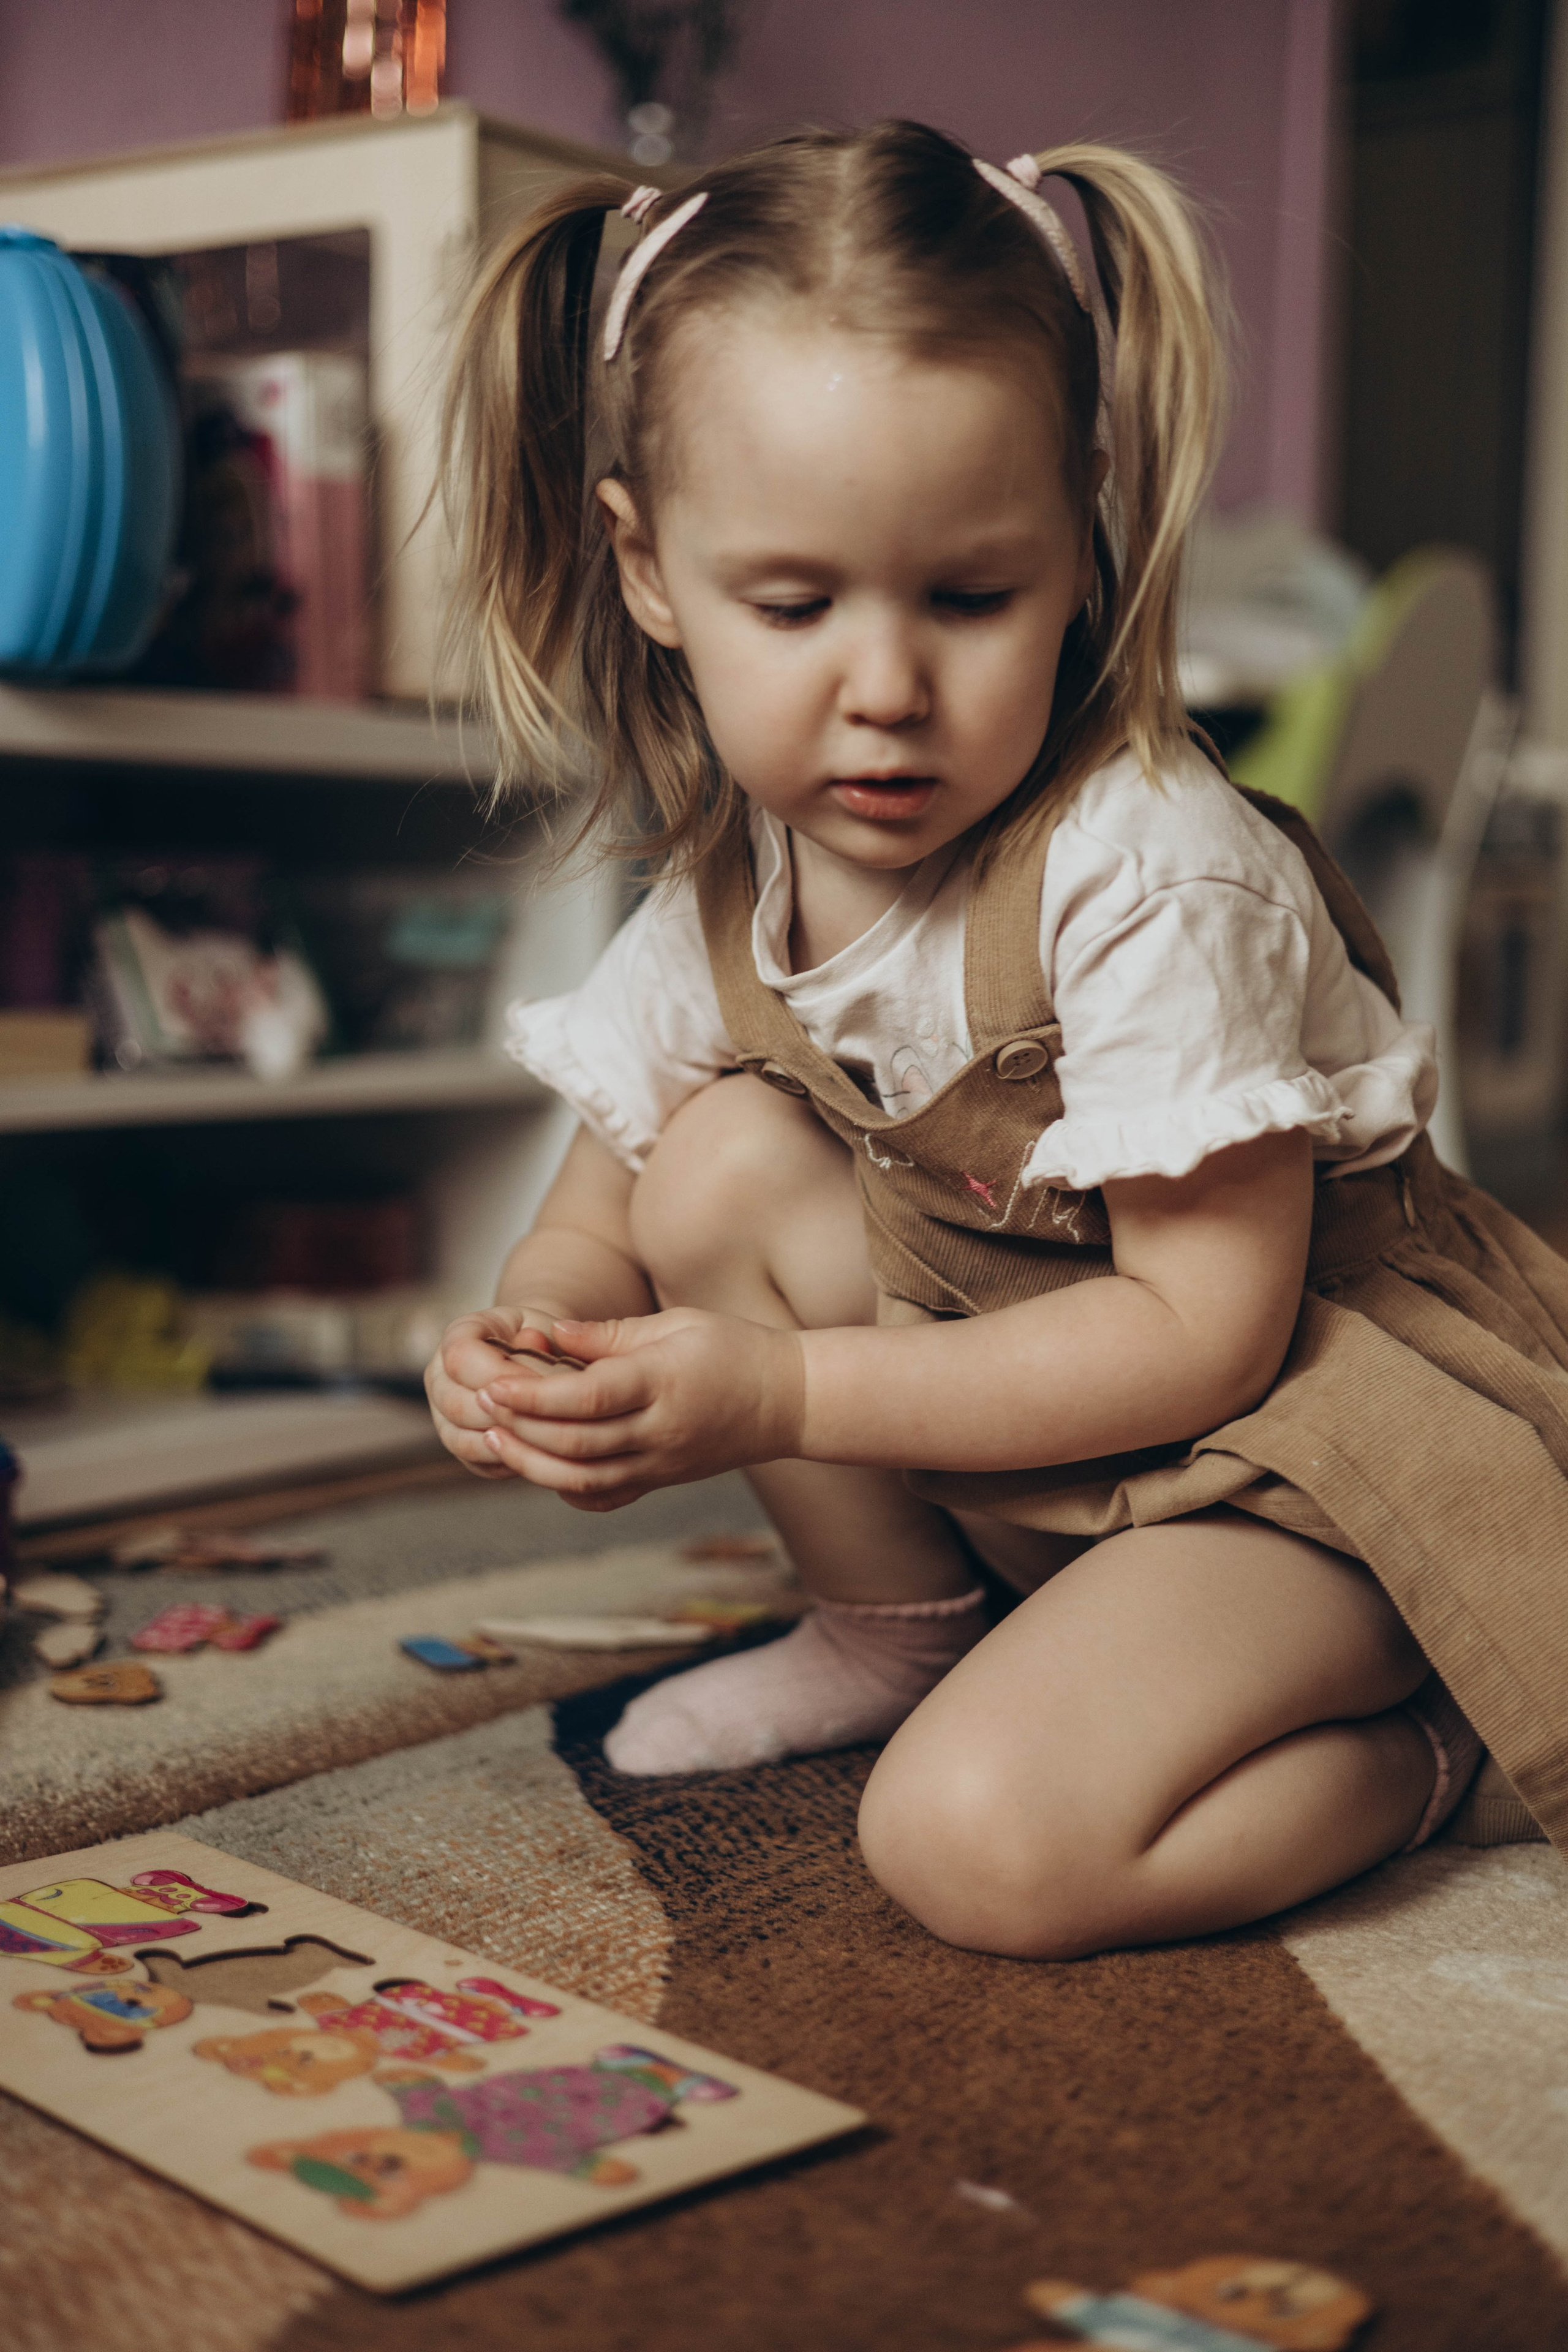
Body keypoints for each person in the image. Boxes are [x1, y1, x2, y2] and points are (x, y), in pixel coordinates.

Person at [425, 120, 1568, 1962]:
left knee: (982, 1847)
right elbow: (606, 1204)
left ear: (1081, 537)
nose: (885, 687)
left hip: (1310, 1468)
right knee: (709, 1157)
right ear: (648, 572)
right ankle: (898, 1632)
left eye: (970, 597)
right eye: (791, 605)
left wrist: (779, 1396)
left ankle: (1447, 1720)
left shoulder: (1153, 874)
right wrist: (526, 1338)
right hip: (1050, 1450)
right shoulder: (735, 880)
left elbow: (1202, 1344)